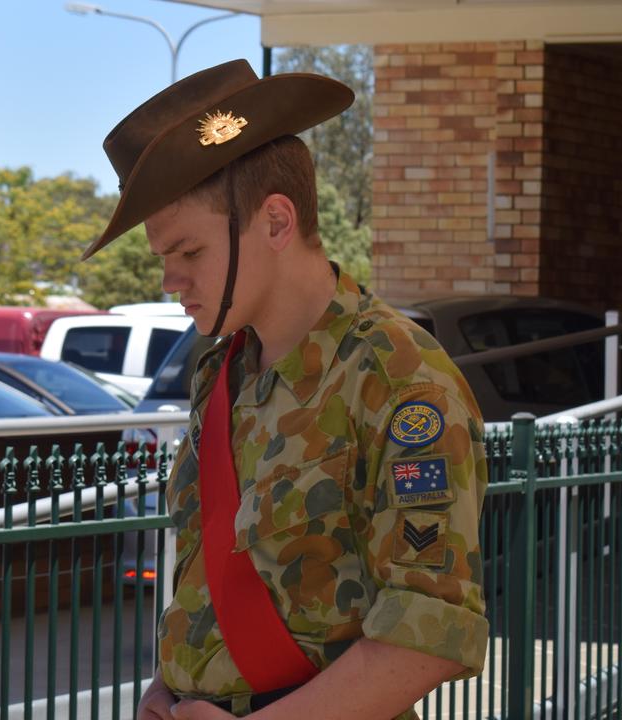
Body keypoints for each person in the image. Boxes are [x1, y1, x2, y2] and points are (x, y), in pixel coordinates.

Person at [81, 59, 489, 720]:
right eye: (164, 259)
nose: (170, 282)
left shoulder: (396, 377)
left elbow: (432, 631)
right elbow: (219, 572)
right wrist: (176, 685)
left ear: (276, 224)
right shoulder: (223, 371)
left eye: (189, 253)